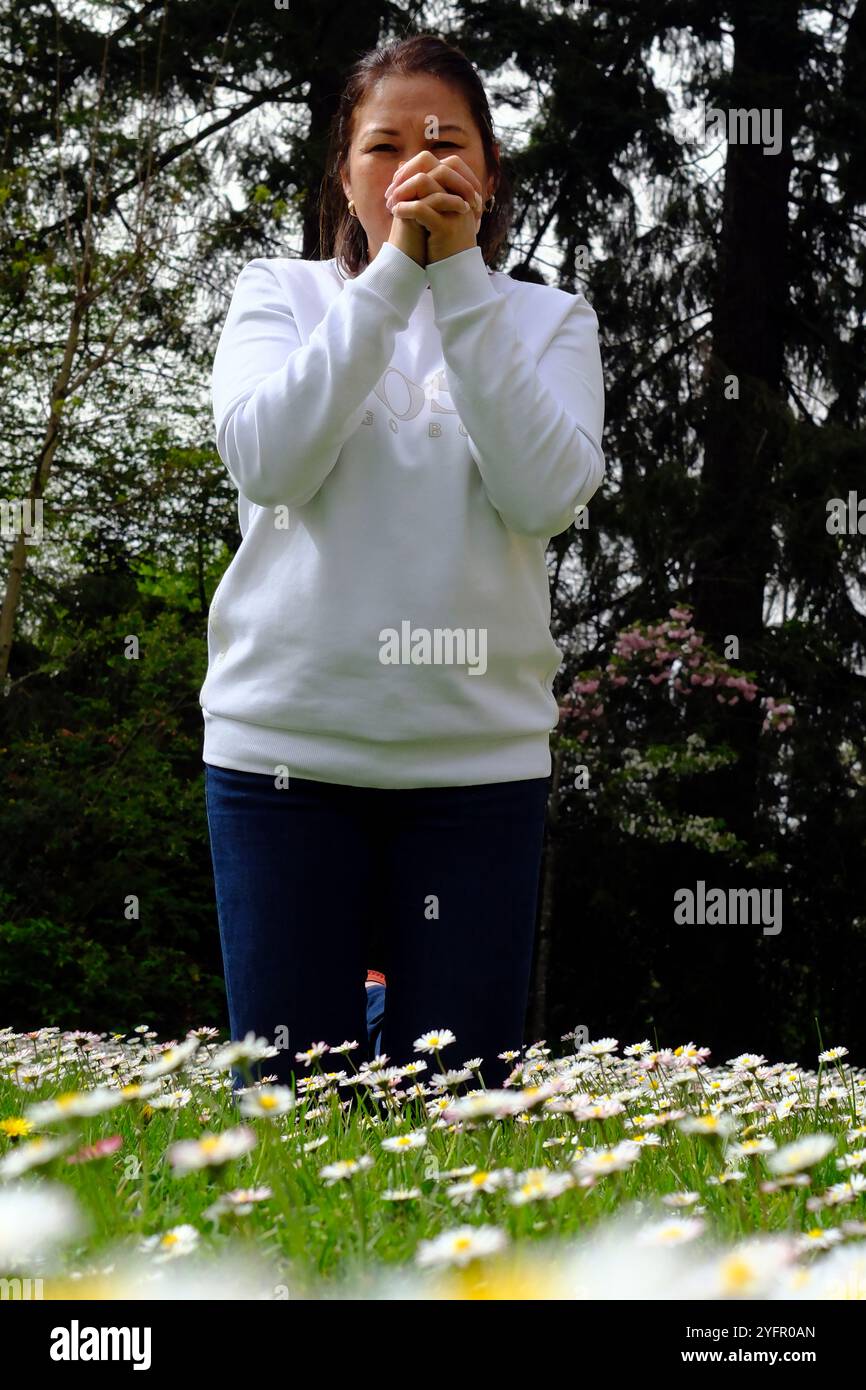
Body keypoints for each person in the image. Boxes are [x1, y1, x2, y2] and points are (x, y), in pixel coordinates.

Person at [202, 33, 605, 1094]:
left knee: (461, 1121)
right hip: (282, 758)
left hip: (474, 770)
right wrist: (390, 279)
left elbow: (542, 494)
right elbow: (270, 462)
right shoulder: (276, 297)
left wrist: (458, 286)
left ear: (487, 170)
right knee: (286, 1121)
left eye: (443, 142)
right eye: (382, 146)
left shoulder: (548, 318)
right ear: (343, 174)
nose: (412, 167)